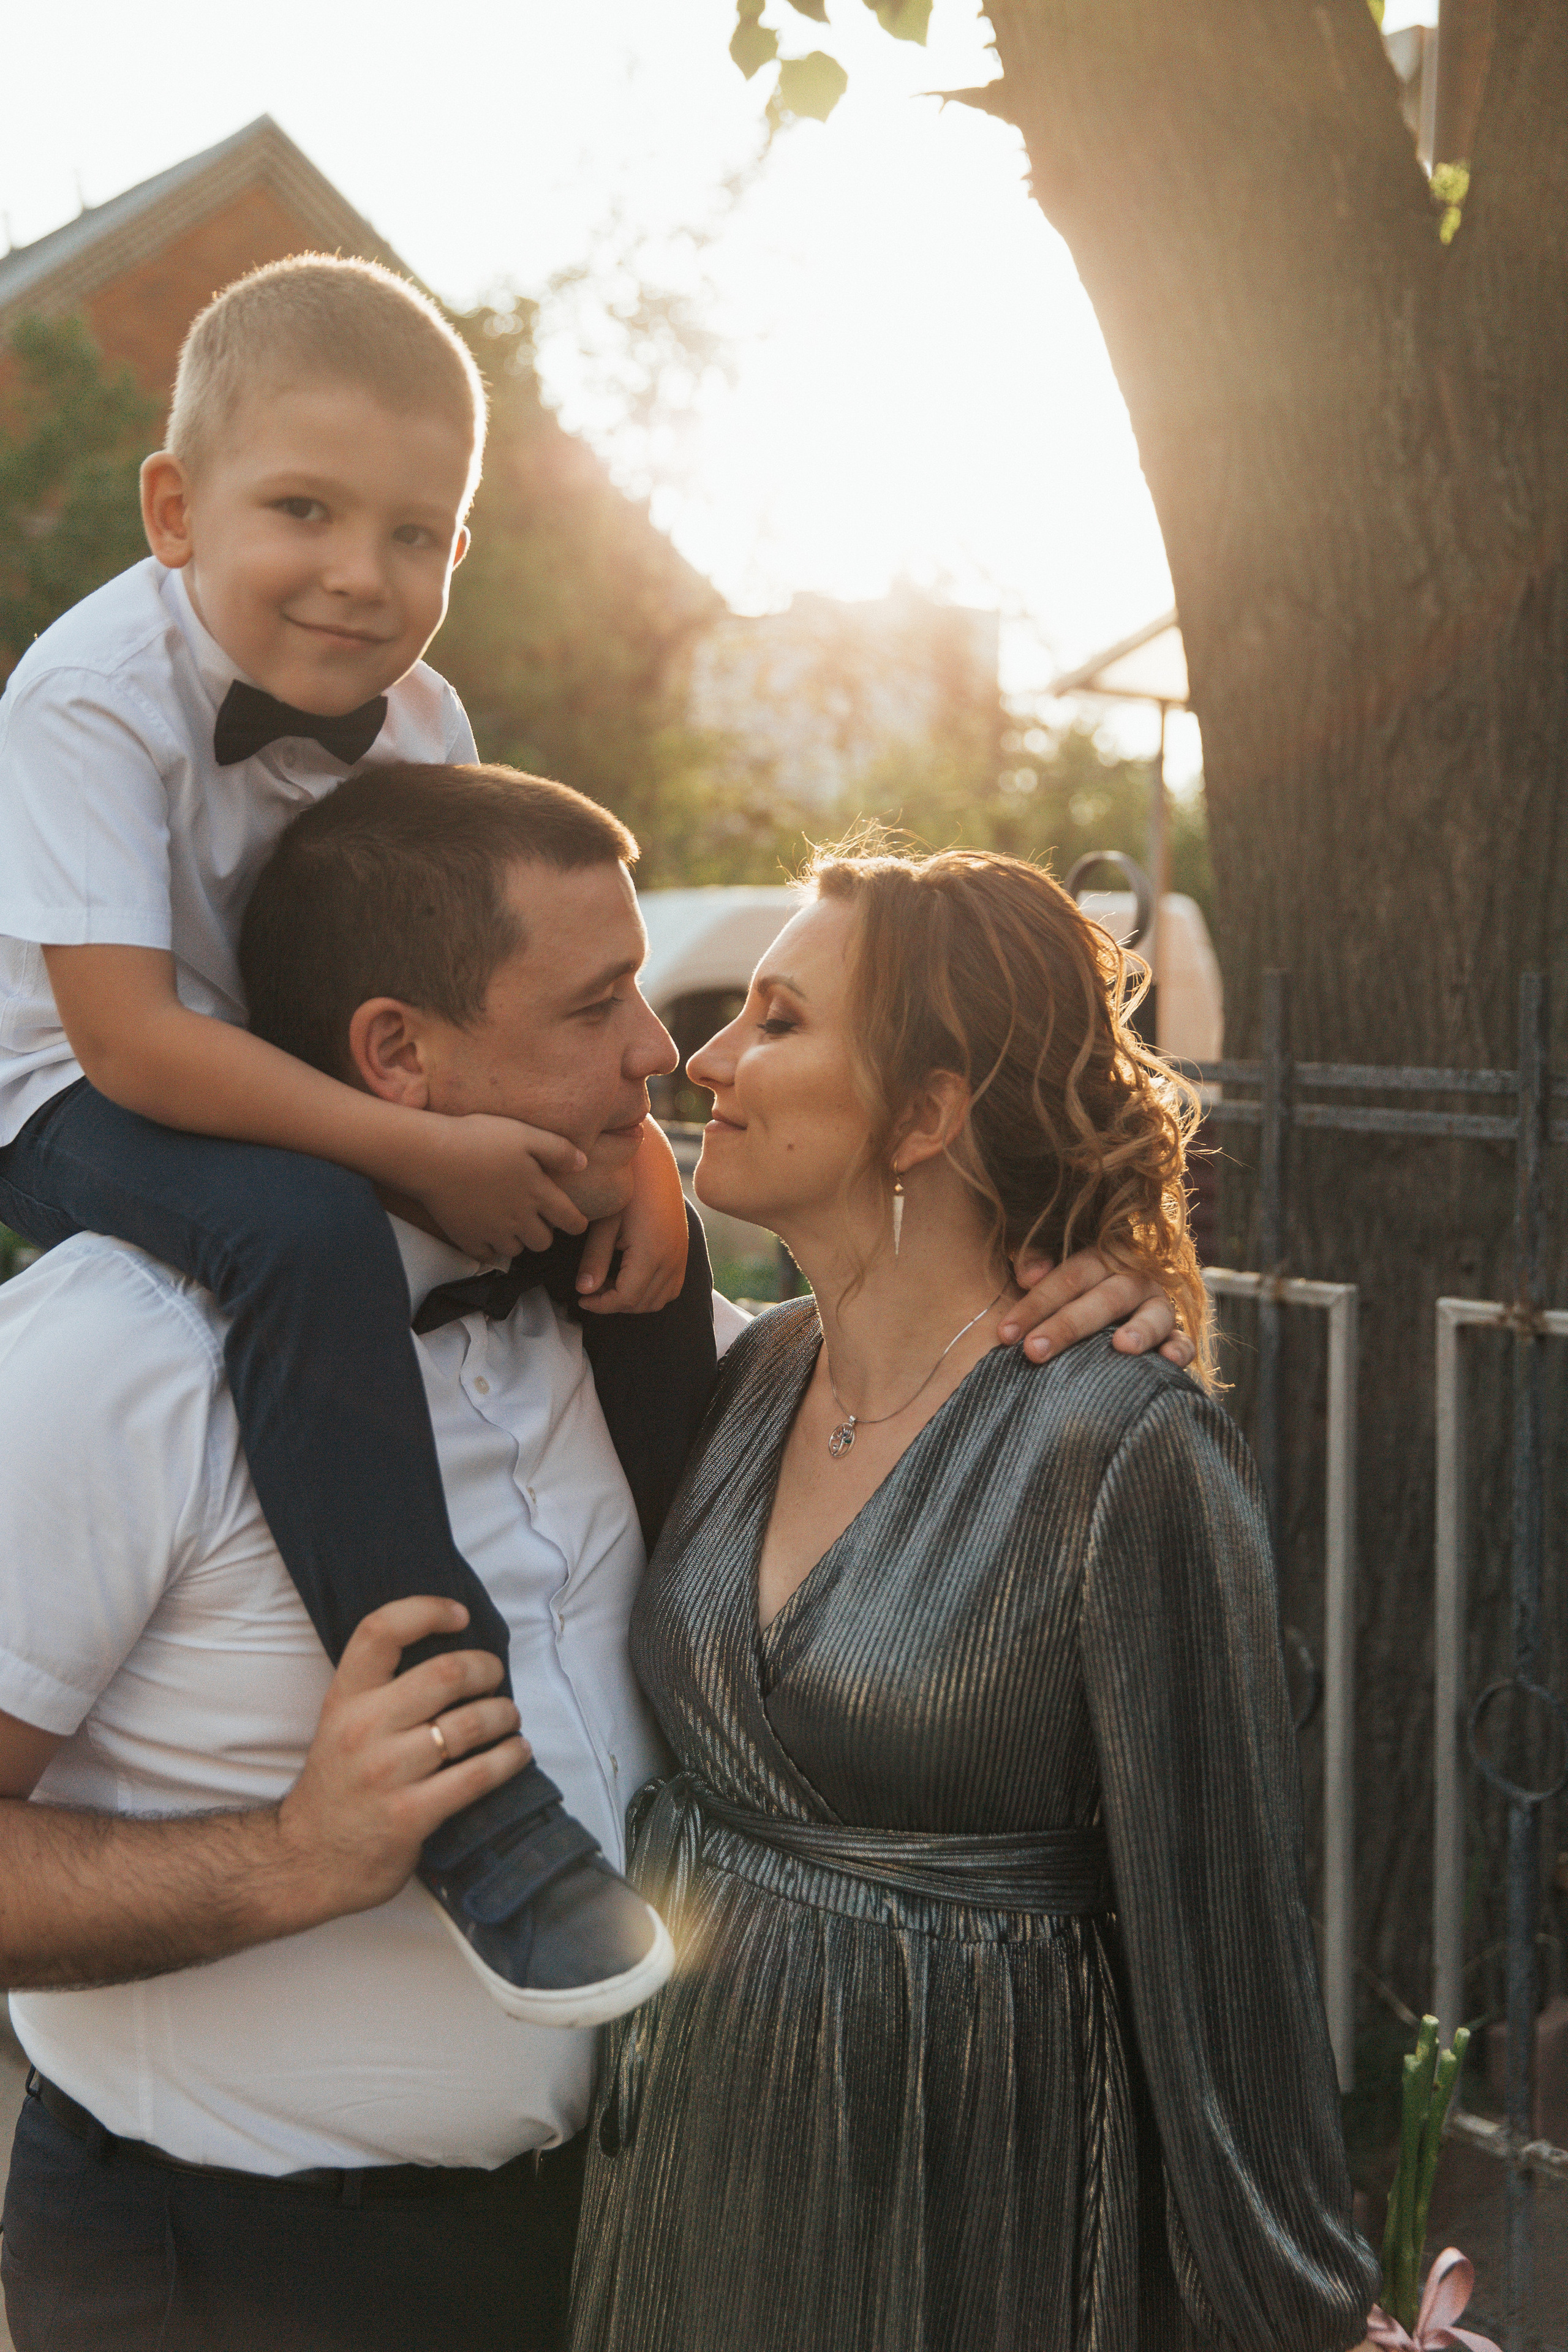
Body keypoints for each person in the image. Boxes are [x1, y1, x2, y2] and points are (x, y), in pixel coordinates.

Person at [0, 766, 1188, 2352]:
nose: (660, 1051)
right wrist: (292, 1856)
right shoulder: (118, 1355)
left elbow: (888, 1401)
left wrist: (1079, 1288)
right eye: (593, 1005)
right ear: (397, 1055)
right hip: (234, 2276)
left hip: (631, 2255)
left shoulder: (631, 1321)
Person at [0, 255, 693, 2022]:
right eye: (301, 511)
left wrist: (631, 1150)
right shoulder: (88, 697)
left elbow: (462, 977)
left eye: (413, 534)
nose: (359, 575)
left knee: (611, 1215)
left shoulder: (425, 717)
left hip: (280, 1077)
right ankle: (471, 1795)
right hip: (70, 1097)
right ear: (176, 509)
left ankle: (704, 1674)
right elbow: (131, 1039)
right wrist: (422, 1159)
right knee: (303, 1233)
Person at [571, 842, 1381, 2352]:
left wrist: (1299, 2311)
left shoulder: (1117, 1443)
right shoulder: (750, 1373)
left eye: (776, 1020)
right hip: (692, 2160)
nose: (704, 1059)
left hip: (968, 2176)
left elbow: (1221, 1936)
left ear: (926, 1113)